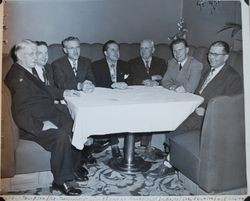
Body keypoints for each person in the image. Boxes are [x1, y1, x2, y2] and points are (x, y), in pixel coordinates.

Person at [5, 39, 89, 196]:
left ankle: (73, 168)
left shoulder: (28, 69)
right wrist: (40, 126)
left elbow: (46, 90)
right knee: (60, 136)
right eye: (32, 54)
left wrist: (63, 92)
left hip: (48, 113)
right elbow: (20, 112)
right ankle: (61, 181)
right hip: (34, 124)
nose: (36, 57)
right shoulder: (18, 78)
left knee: (76, 124)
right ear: (21, 56)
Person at [162, 40, 243, 175]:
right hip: (194, 108)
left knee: (174, 131)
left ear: (226, 57)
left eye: (217, 54)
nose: (212, 57)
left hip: (209, 116)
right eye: (211, 53)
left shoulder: (233, 77)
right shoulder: (209, 70)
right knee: (169, 120)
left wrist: (207, 112)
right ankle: (173, 157)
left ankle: (172, 161)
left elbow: (232, 106)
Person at [51, 36, 97, 164]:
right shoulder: (57, 64)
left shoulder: (86, 61)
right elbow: (61, 84)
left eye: (77, 47)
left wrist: (89, 83)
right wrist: (79, 85)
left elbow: (91, 78)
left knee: (92, 114)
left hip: (84, 99)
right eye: (71, 48)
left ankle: (87, 151)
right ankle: (78, 154)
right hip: (67, 100)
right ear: (65, 50)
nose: (76, 51)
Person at [92, 40, 130, 157]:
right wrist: (112, 85)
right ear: (105, 53)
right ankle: (115, 145)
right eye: (112, 50)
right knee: (111, 110)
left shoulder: (125, 64)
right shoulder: (96, 65)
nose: (116, 52)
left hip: (124, 97)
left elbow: (131, 80)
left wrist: (125, 83)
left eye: (117, 50)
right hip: (104, 98)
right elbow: (96, 83)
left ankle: (129, 144)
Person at [128, 39, 167, 150]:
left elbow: (165, 77)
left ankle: (148, 141)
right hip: (138, 94)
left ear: (153, 50)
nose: (143, 51)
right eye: (141, 48)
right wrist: (150, 79)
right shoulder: (132, 62)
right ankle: (138, 139)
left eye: (146, 48)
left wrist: (153, 80)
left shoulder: (161, 62)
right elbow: (131, 79)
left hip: (156, 95)